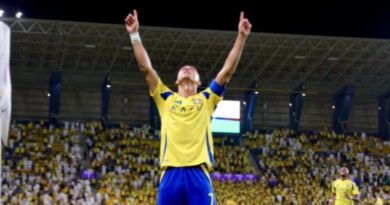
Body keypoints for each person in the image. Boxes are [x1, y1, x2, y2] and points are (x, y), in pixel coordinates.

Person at [124, 9, 251, 205]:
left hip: (198, 174)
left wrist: (241, 38)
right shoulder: (165, 97)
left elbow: (227, 71)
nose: (187, 68)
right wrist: (134, 34)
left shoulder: (207, 98)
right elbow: (145, 68)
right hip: (170, 174)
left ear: (199, 82)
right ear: (176, 81)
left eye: (192, 70)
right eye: (183, 69)